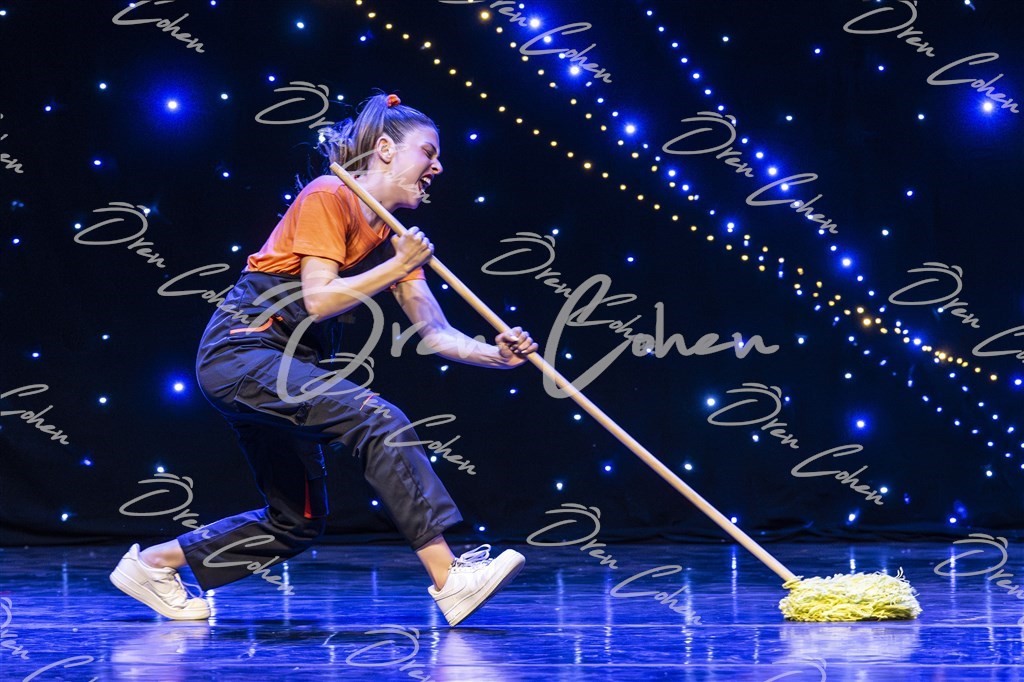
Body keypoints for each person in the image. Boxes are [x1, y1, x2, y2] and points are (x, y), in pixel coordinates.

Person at [110, 92, 539, 627]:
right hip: (242, 352)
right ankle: (449, 578)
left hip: (283, 366)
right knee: (378, 419)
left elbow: (435, 332)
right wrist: (398, 265)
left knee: (297, 520)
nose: (438, 167)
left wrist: (496, 355)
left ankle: (153, 564)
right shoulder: (329, 194)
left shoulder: (393, 238)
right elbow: (319, 299)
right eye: (428, 152)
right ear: (385, 149)